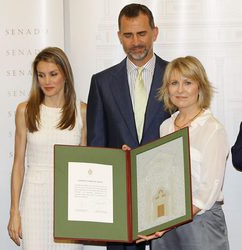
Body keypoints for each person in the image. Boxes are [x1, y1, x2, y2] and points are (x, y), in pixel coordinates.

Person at [87, 3, 169, 250]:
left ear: (154, 32)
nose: (135, 42)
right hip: (120, 208)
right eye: (128, 35)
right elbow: (96, 148)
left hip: (167, 205)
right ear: (119, 36)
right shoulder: (101, 83)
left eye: (141, 33)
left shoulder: (177, 79)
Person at [137, 56, 230, 250]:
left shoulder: (212, 129)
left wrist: (168, 222)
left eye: (188, 82)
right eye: (174, 83)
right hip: (166, 221)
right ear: (167, 88)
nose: (180, 90)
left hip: (200, 223)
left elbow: (207, 192)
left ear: (200, 87)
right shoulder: (166, 127)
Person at [7, 47, 86, 249]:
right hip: (34, 199)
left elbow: (86, 164)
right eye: (41, 75)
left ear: (65, 75)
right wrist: (14, 212)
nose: (47, 81)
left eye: (53, 74)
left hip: (69, 202)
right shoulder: (25, 111)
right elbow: (18, 164)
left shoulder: (82, 111)